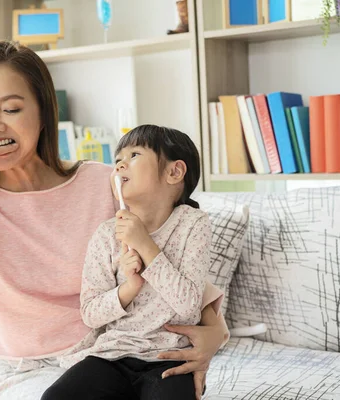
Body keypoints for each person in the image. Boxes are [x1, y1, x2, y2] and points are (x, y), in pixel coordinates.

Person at [0, 40, 229, 400]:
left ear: (43, 114)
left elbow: (173, 258)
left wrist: (214, 332)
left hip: (116, 353)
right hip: (30, 370)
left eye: (11, 109)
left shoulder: (105, 184)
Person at [41, 124, 215, 400]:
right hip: (112, 356)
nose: (121, 165)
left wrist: (146, 245)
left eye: (134, 155)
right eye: (118, 160)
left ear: (174, 172)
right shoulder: (106, 234)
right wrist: (129, 288)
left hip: (169, 357)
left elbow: (188, 307)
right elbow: (90, 313)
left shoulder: (193, 224)